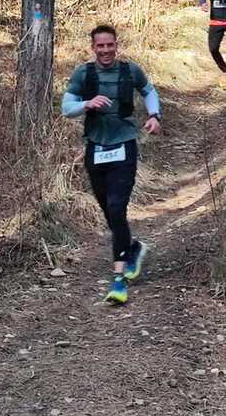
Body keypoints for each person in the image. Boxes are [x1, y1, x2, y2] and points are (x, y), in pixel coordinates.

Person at [62, 24, 162, 305]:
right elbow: (66, 108)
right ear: (93, 47)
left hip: (124, 144)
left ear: (116, 45)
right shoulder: (84, 74)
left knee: (117, 207)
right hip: (96, 146)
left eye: (110, 45)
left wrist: (154, 115)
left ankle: (119, 279)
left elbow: (149, 91)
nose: (105, 50)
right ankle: (132, 248)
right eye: (100, 46)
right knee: (109, 210)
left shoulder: (130, 70)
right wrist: (86, 104)